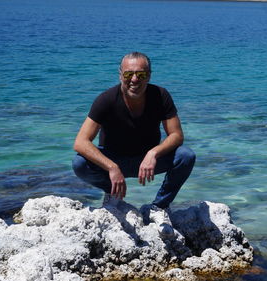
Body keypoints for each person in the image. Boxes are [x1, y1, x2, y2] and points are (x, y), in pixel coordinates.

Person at [72, 52, 195, 239]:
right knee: (79, 163)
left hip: (146, 162)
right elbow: (80, 142)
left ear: (149, 75)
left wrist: (154, 152)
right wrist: (111, 167)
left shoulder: (160, 95)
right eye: (129, 74)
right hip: (114, 161)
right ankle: (112, 195)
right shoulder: (106, 100)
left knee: (186, 156)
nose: (135, 79)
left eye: (141, 74)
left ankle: (159, 207)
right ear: (120, 74)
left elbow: (177, 135)